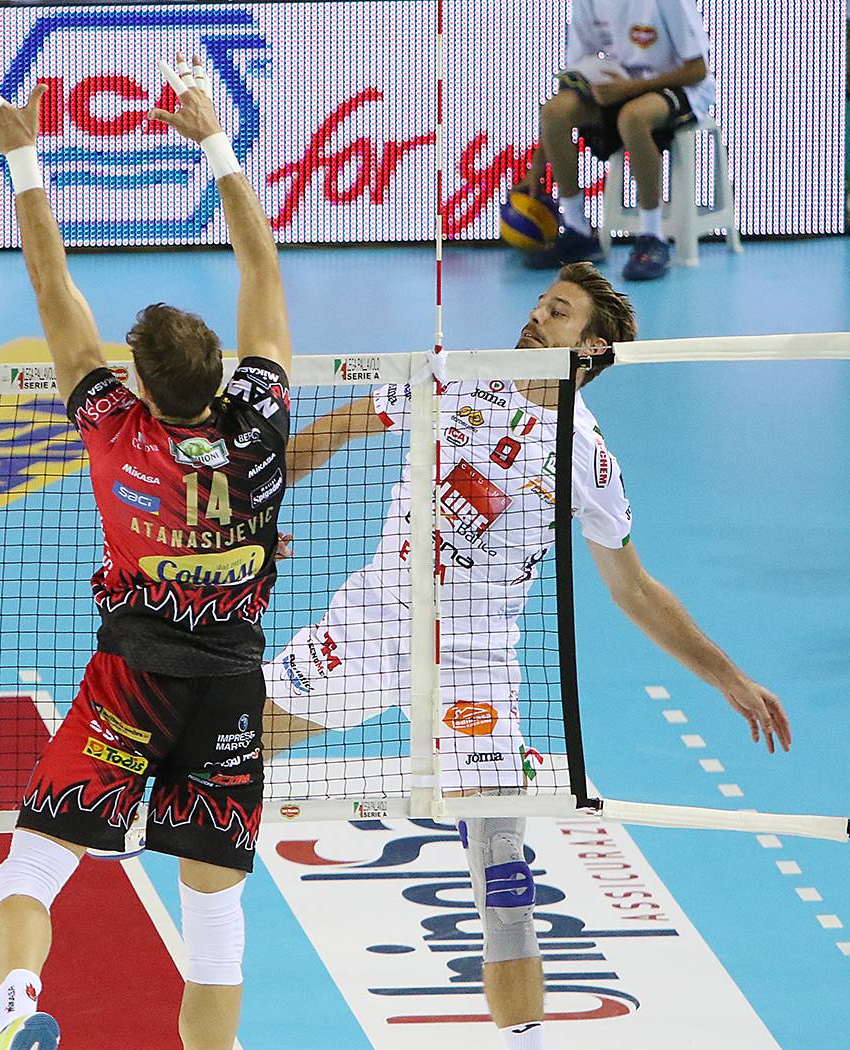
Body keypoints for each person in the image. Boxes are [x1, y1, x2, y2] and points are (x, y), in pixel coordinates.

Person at [264, 262, 789, 1050]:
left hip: (473, 667)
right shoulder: (454, 377)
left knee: (504, 877)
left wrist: (728, 676)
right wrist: (251, 512)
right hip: (368, 628)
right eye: (539, 305)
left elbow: (632, 589)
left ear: (591, 349)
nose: (535, 318)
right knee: (220, 755)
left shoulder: (587, 458)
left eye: (558, 313)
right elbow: (337, 427)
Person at [0, 56, 293, 1050]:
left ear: (139, 386)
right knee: (215, 923)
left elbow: (52, 288)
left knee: (30, 867)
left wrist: (23, 161)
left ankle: (17, 1009)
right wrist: (217, 141)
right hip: (229, 690)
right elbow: (263, 272)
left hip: (130, 683)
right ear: (222, 371)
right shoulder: (262, 419)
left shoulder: (114, 429)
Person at [519, 0, 716, 281]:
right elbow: (576, 73)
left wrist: (630, 89)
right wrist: (538, 162)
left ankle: (652, 236)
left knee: (633, 118)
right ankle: (578, 230)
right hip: (618, 87)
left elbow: (697, 70)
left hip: (680, 86)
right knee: (555, 111)